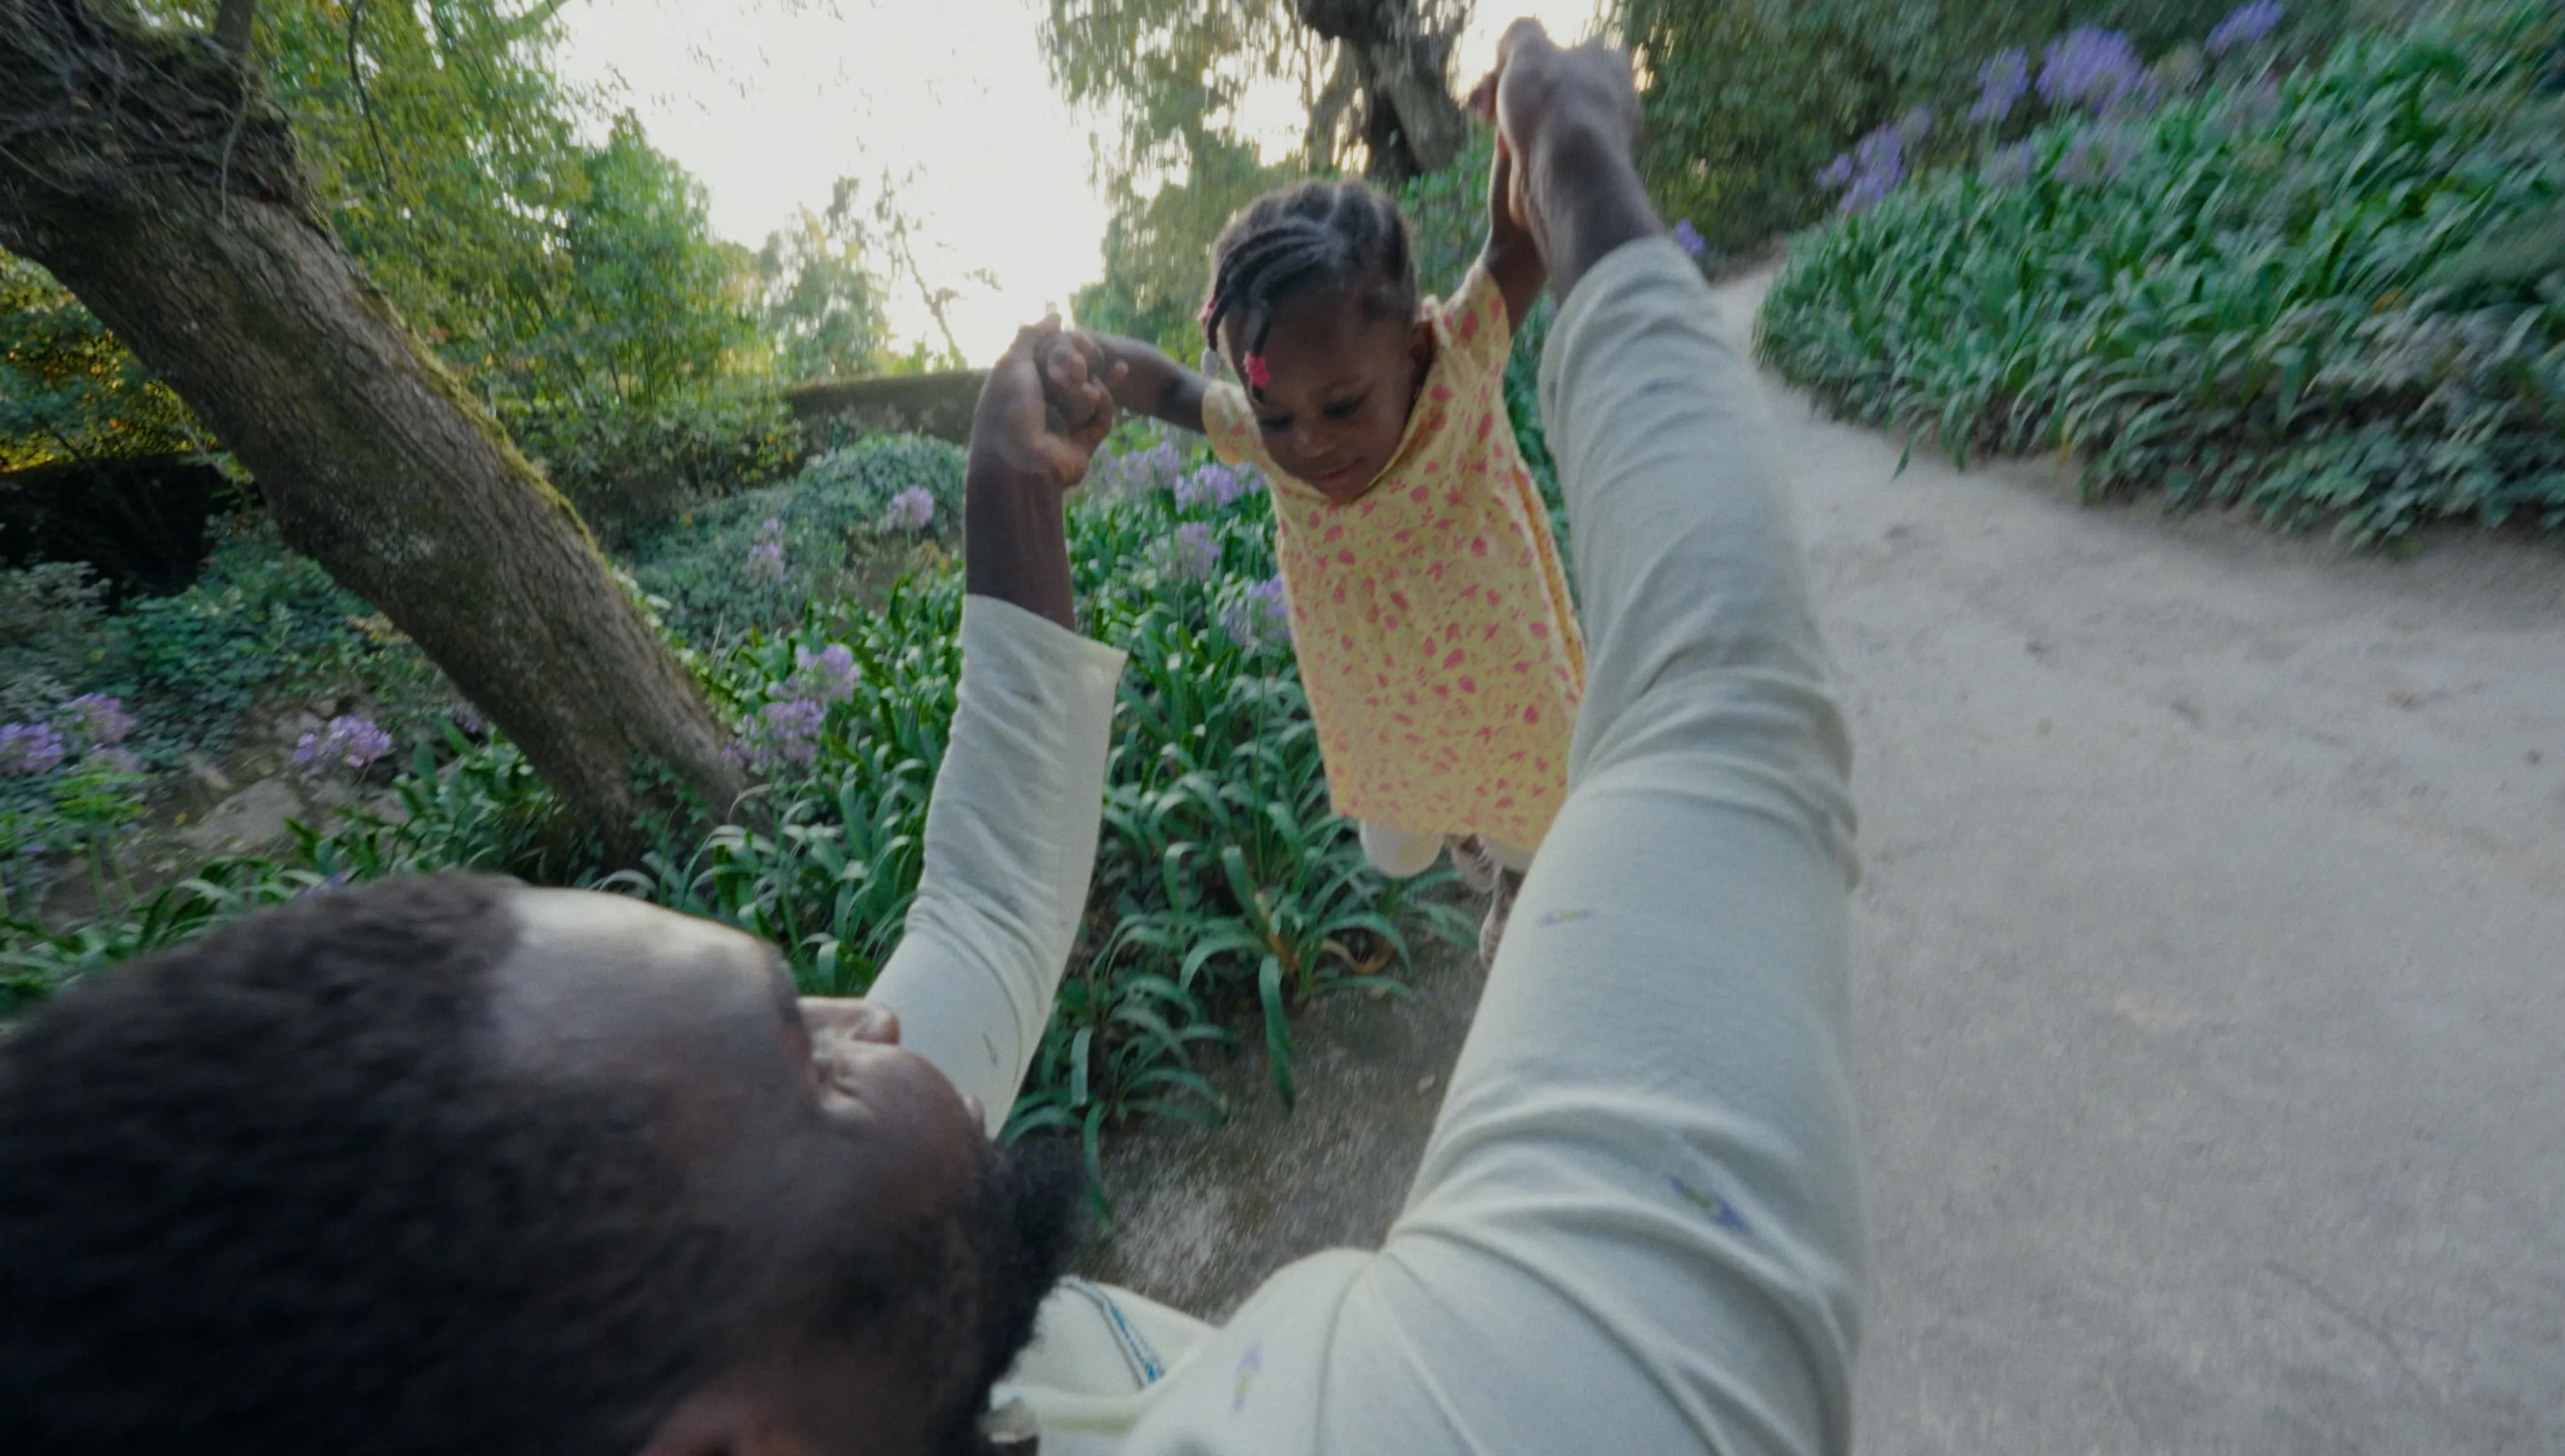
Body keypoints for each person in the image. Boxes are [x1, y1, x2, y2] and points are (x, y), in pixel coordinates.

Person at [0, 20, 1863, 1456]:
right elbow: (1718, 736)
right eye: (804, 1063)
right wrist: (1594, 176)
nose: (867, 1011)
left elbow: (976, 922)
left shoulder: (785, 1332)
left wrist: (1011, 499)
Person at [1047, 158, 1585, 963]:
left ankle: (1510, 877)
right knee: (1398, 845)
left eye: (1341, 406)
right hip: (1386, 701)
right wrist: (1076, 355)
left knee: (1534, 819)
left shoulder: (1459, 364)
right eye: (1276, 415)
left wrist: (1521, 107)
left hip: (1503, 674)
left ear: (1408, 350)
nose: (1310, 443)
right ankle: (1462, 822)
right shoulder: (1267, 443)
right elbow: (1162, 389)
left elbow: (1520, 238)